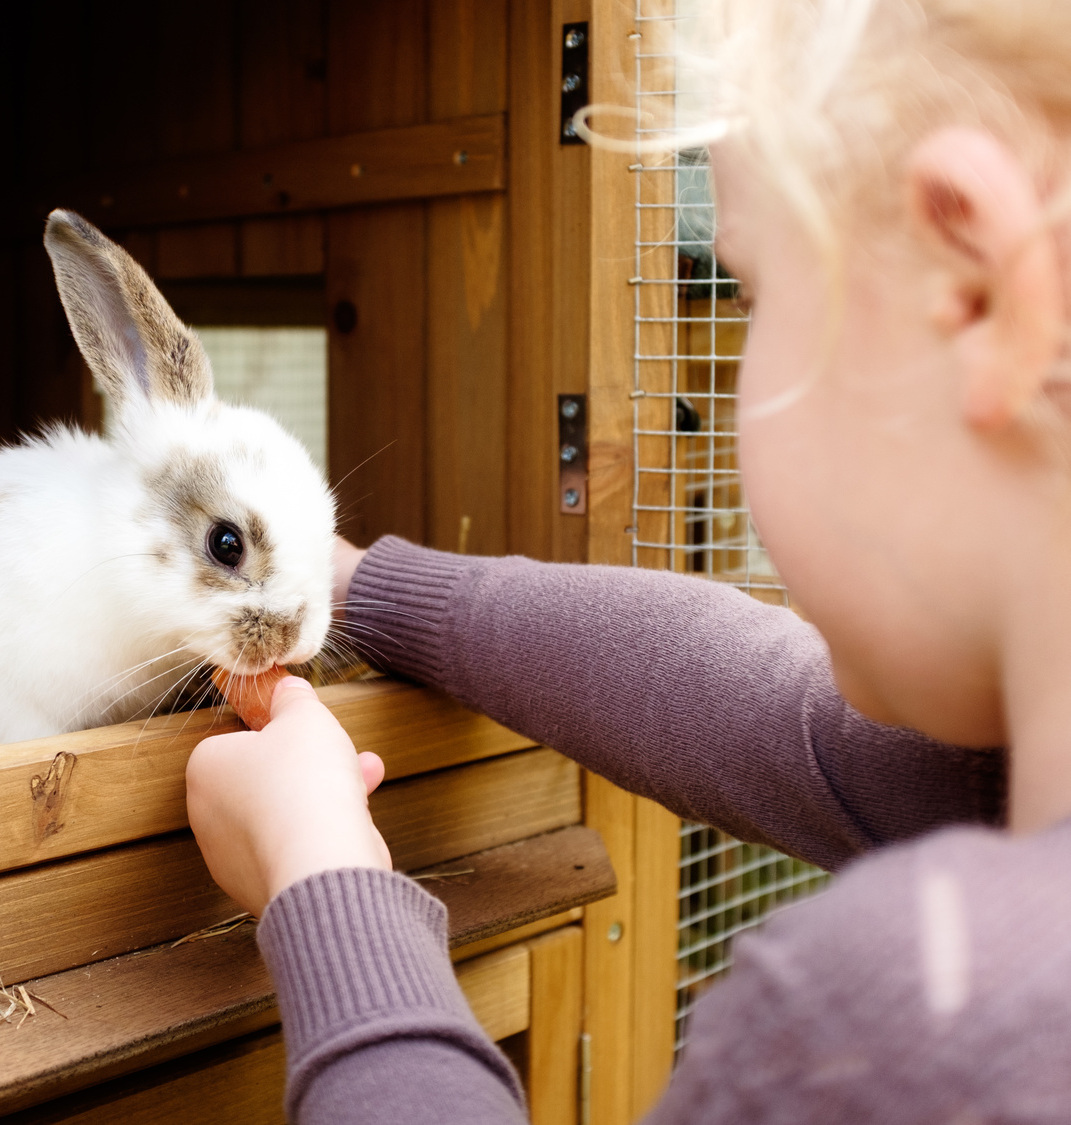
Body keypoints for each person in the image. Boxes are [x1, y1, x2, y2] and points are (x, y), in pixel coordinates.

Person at [183, 2, 1071, 1122]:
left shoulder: (924, 1015)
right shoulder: (996, 784)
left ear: (978, 292)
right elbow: (762, 707)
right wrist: (359, 587)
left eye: (751, 296)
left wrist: (319, 883)